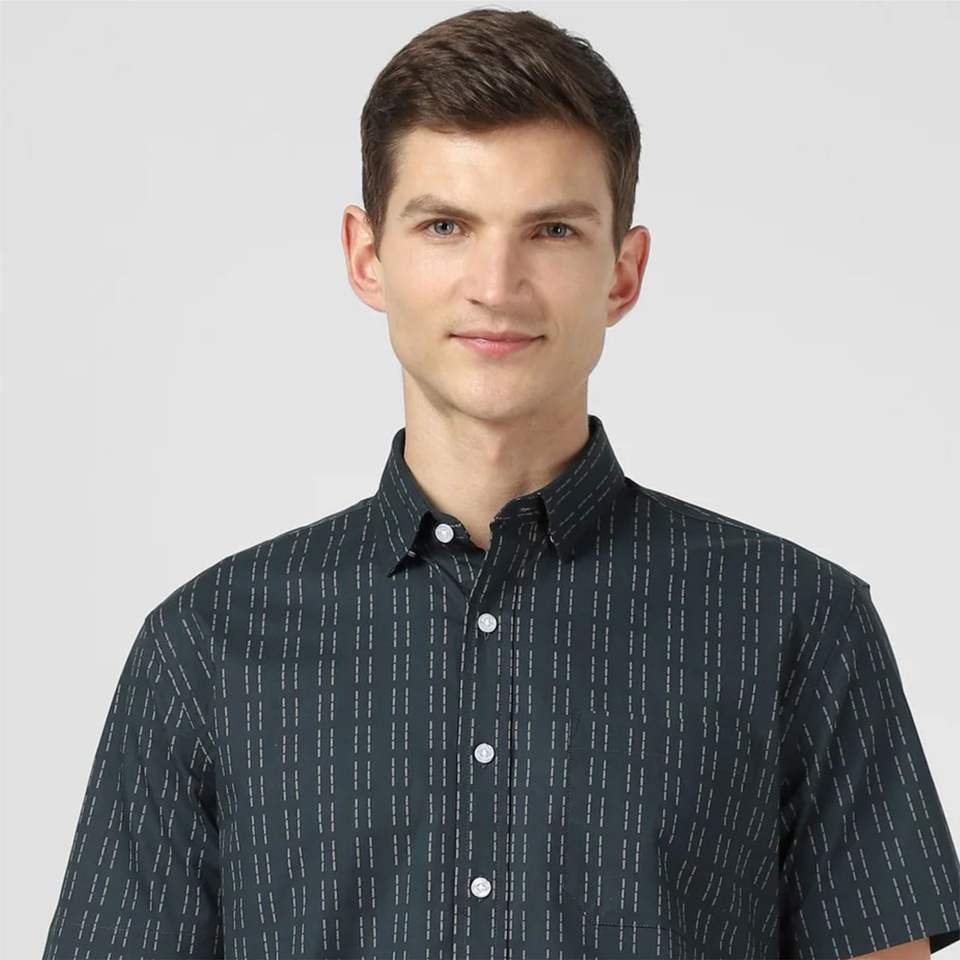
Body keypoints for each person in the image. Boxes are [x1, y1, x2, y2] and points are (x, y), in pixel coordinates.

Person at [42, 7, 959, 960]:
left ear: (623, 272)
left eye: (552, 230)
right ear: (367, 255)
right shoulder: (206, 647)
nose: (496, 283)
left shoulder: (796, 625)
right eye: (446, 225)